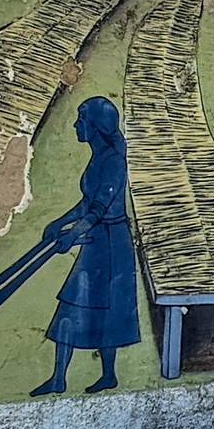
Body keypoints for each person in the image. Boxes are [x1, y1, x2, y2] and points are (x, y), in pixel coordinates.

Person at [32, 97, 139, 395]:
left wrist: (72, 233)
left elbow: (99, 209)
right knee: (73, 304)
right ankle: (59, 378)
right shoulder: (99, 157)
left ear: (95, 126)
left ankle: (108, 375)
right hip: (97, 238)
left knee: (107, 309)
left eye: (81, 120)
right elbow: (86, 205)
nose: (76, 125)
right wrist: (60, 223)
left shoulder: (114, 162)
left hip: (113, 243)